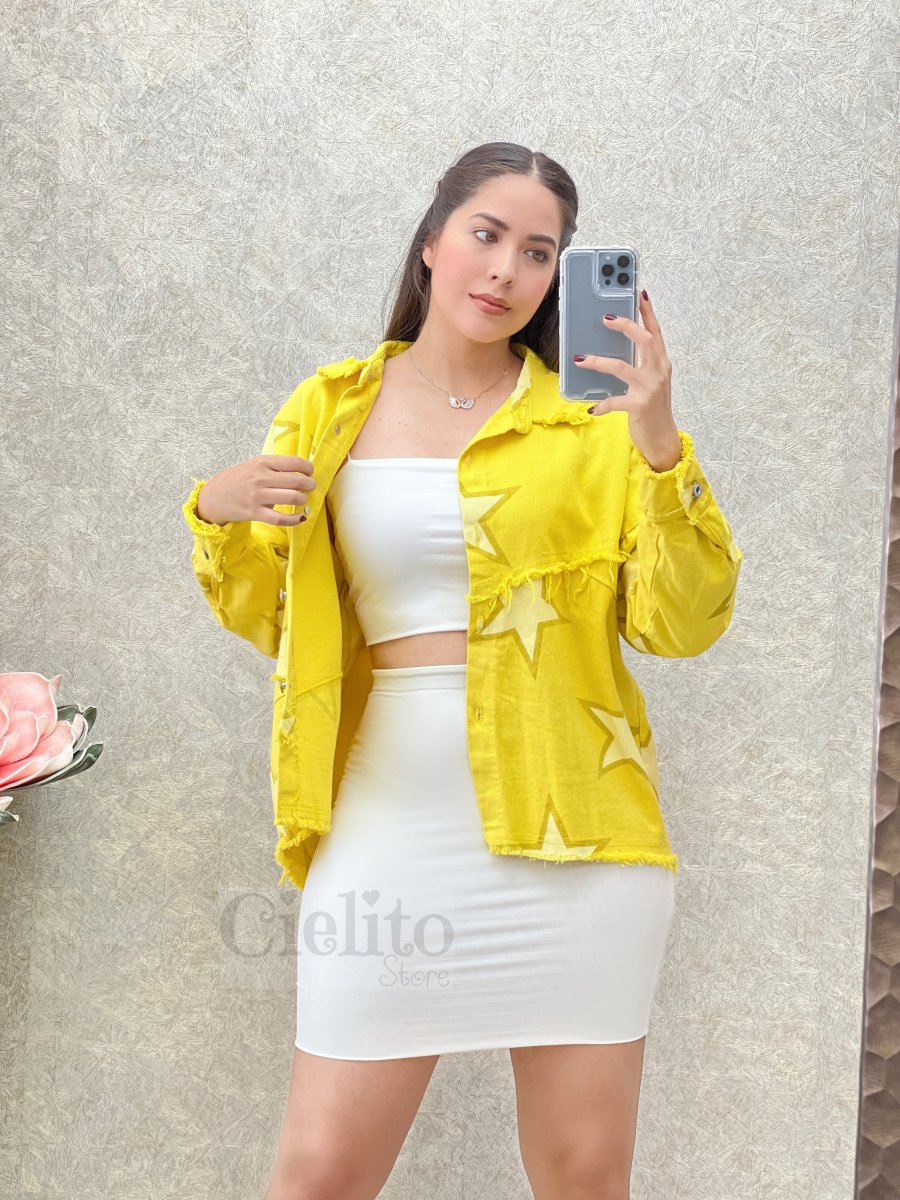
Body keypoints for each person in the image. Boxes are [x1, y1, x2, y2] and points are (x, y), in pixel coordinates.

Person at [183, 142, 742, 1200]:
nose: (505, 270)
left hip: (580, 845)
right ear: (433, 242)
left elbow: (682, 624)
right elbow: (274, 617)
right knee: (318, 1175)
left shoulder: (597, 424)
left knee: (583, 1178)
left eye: (539, 252)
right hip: (388, 826)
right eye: (487, 235)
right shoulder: (330, 409)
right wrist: (216, 509)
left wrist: (662, 445)